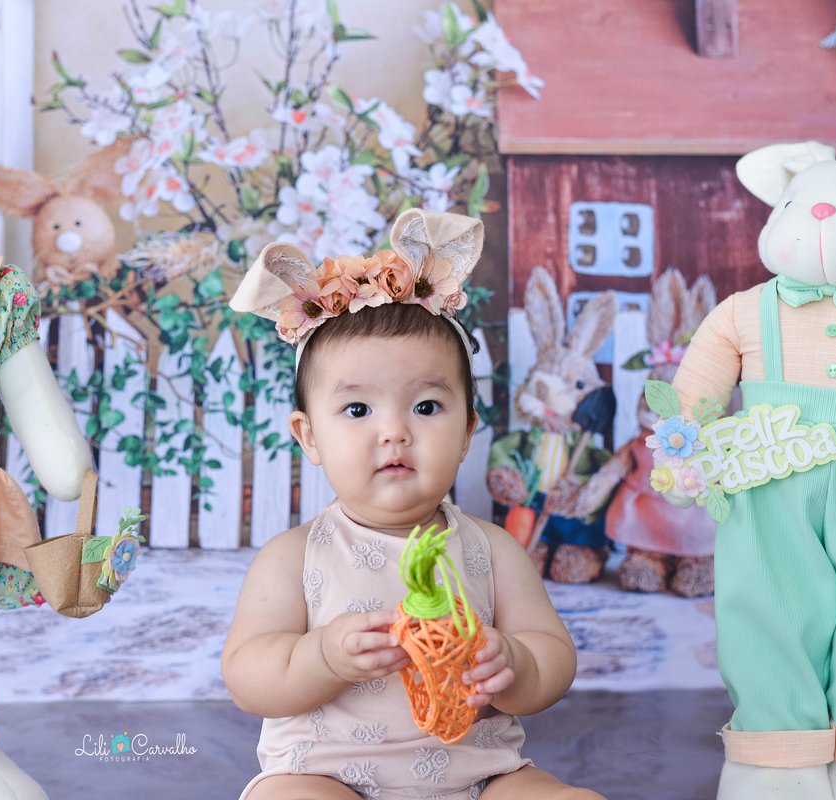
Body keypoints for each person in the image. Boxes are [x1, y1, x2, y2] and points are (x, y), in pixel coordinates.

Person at [222, 209, 604, 800]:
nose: (394, 432)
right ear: (309, 436)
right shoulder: (294, 557)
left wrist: (516, 665)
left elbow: (555, 658)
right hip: (327, 775)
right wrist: (323, 656)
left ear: (468, 430)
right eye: (357, 410)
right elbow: (248, 678)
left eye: (426, 407)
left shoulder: (492, 549)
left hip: (481, 777)